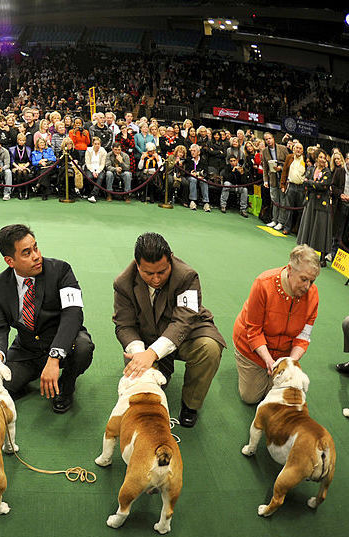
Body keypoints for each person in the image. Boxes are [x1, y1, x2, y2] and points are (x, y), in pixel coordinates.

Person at [113, 233, 225, 427]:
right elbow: (125, 325)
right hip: (146, 338)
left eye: (162, 272)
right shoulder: (123, 283)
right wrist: (141, 354)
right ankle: (159, 372)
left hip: (188, 332)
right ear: (137, 265)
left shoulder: (187, 276)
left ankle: (191, 404)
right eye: (148, 273)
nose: (156, 279)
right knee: (144, 389)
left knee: (210, 348)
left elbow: (184, 320)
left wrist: (153, 353)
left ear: (171, 258)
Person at [0, 224, 94, 414]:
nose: (36, 256)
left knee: (84, 346)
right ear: (10, 261)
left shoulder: (61, 270)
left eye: (35, 248)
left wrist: (55, 356)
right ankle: (35, 372)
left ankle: (67, 384)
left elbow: (73, 313)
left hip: (64, 342)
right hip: (26, 349)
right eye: (26, 253)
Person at [232, 245, 320, 404]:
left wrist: (291, 363)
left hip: (282, 353)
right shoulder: (263, 284)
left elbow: (304, 336)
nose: (307, 287)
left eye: (312, 281)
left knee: (275, 396)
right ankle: (244, 363)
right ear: (290, 270)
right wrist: (268, 360)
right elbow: (254, 331)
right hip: (250, 347)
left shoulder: (313, 296)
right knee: (251, 398)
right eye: (304, 279)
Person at [297, 149, 333, 264]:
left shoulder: (327, 172)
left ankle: (322, 258)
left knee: (321, 228)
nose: (323, 159)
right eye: (321, 157)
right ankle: (304, 253)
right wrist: (313, 184)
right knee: (308, 226)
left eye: (324, 157)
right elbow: (304, 183)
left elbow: (323, 186)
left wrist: (311, 183)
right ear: (316, 158)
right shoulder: (311, 169)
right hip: (310, 201)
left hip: (322, 204)